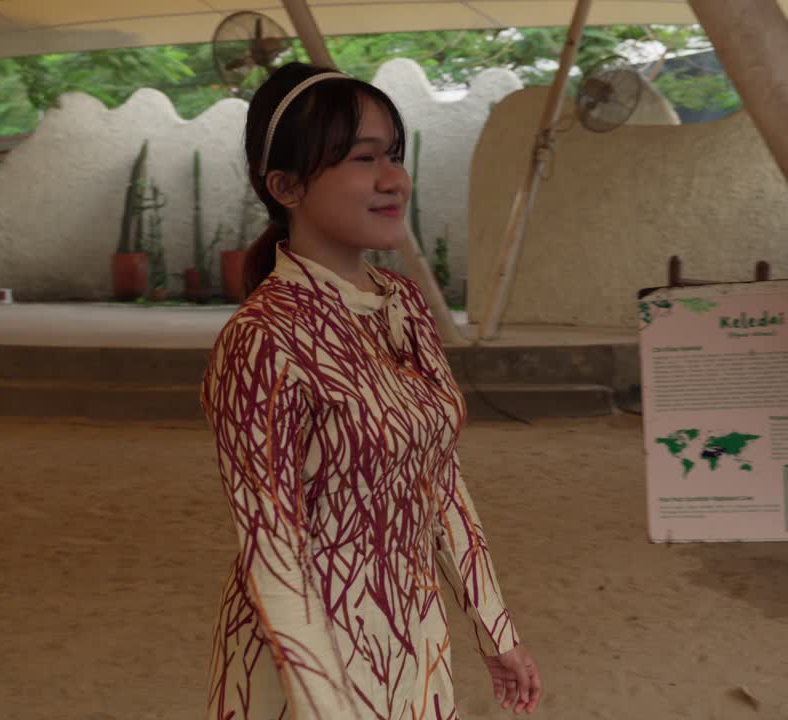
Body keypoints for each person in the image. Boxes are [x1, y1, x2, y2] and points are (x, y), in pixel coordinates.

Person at [200, 62, 542, 720]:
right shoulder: (261, 342)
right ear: (286, 185)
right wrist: (327, 707)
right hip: (308, 663)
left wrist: (495, 630)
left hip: (414, 640)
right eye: (364, 158)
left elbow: (438, 479)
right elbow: (274, 553)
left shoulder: (405, 306)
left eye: (394, 154)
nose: (393, 179)